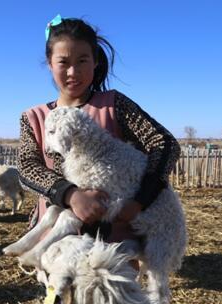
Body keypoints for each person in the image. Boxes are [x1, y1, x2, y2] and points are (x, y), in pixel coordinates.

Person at [17, 15, 179, 243]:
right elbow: (27, 166)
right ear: (49, 63)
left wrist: (140, 200)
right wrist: (70, 194)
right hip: (55, 241)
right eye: (63, 62)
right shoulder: (34, 117)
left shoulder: (113, 105)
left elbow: (164, 144)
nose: (73, 72)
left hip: (113, 240)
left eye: (82, 60)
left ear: (95, 61)